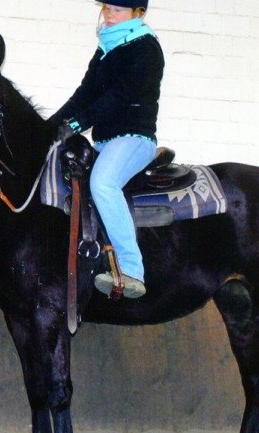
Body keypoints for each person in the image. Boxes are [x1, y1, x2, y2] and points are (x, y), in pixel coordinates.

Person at [50, 1, 164, 299]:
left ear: (137, 13)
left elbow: (120, 95)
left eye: (118, 10)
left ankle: (131, 269)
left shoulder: (146, 48)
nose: (110, 15)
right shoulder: (105, 50)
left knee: (103, 182)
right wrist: (47, 127)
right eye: (108, 9)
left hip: (134, 139)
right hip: (105, 141)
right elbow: (84, 94)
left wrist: (78, 123)